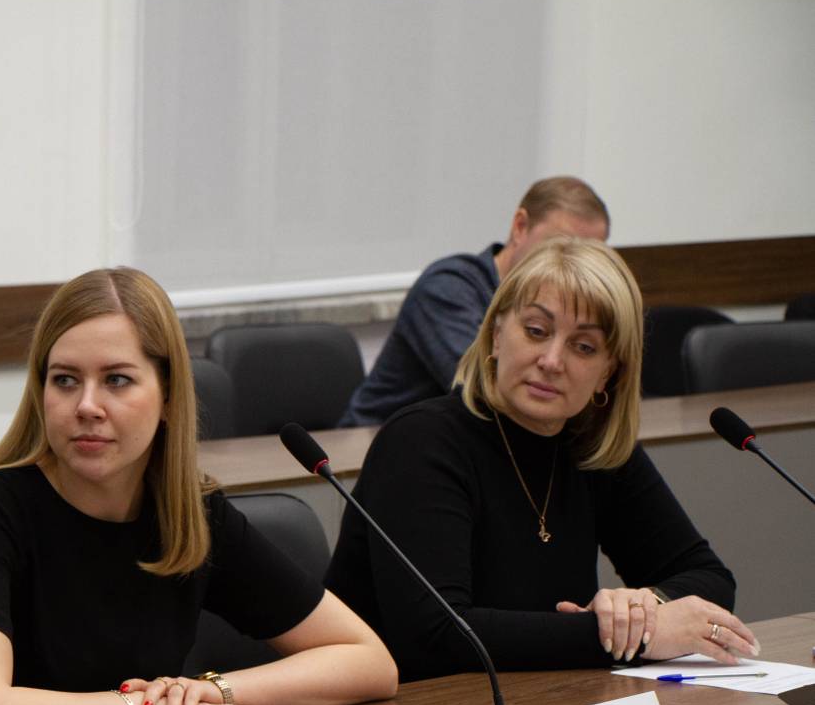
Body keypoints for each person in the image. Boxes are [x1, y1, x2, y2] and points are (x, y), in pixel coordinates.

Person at [0, 267, 397, 705]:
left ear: (168, 396)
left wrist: (208, 692)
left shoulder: (190, 512)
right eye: (65, 380)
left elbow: (369, 663)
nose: (87, 405)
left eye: (117, 380)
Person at [324, 238, 758, 682]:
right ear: (496, 334)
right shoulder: (421, 442)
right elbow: (439, 635)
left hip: (543, 704)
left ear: (608, 372)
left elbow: (709, 579)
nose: (551, 361)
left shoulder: (594, 446)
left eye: (583, 347)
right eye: (536, 331)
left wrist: (641, 609)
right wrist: (627, 637)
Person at [340, 176, 610, 427]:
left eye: (589, 255)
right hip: (375, 443)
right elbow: (483, 387)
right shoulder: (447, 287)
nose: (574, 265)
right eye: (559, 245)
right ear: (520, 227)